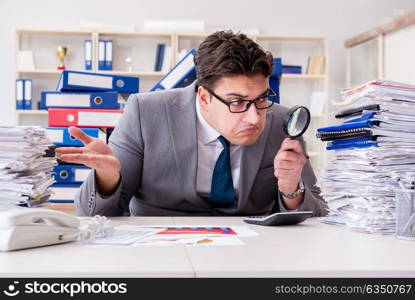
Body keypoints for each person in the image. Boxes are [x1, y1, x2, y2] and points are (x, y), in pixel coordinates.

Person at [56, 30, 327, 217]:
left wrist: (292, 189)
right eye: (237, 101)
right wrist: (106, 180)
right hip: (160, 251)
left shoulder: (282, 120)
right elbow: (91, 215)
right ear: (204, 97)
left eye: (261, 99)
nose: (255, 117)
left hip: (251, 256)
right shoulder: (144, 112)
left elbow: (316, 214)